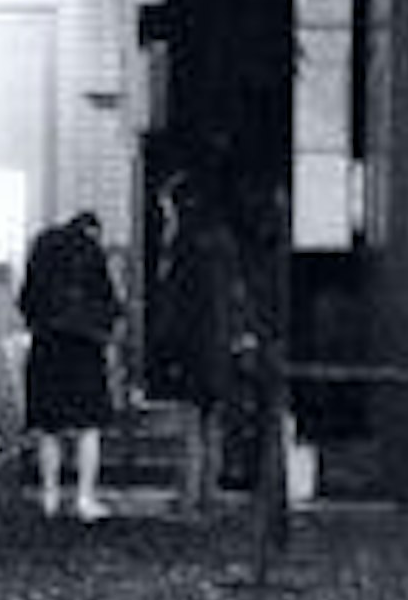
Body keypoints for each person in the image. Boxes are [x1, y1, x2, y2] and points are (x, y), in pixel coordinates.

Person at [17, 207, 122, 523]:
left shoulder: (42, 247)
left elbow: (26, 299)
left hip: (46, 345)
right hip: (84, 347)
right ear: (92, 231)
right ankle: (84, 498)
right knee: (88, 426)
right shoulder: (91, 251)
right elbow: (108, 301)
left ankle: (50, 496)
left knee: (49, 427)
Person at [145, 175, 248, 497]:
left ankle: (189, 493)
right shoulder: (224, 244)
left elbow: (174, 305)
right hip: (219, 348)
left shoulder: (183, 248)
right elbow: (235, 298)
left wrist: (163, 349)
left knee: (191, 424)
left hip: (192, 348)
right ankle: (209, 491)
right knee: (212, 422)